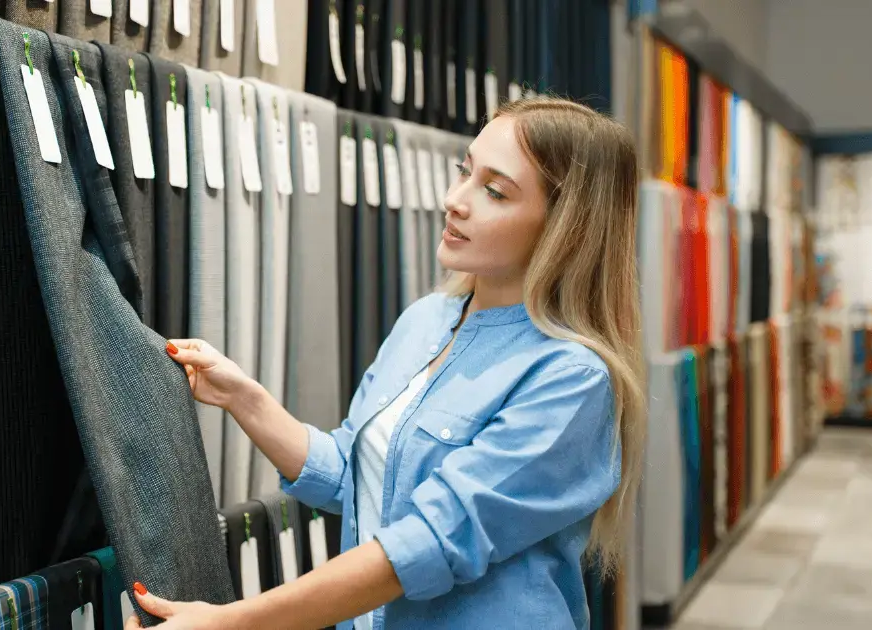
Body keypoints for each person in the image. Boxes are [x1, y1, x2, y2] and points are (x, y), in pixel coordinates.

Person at [126, 97, 646, 630]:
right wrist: (242, 396)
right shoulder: (427, 320)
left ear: (566, 228)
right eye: (463, 173)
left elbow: (427, 543)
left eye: (494, 191)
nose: (454, 201)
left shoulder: (571, 379)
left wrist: (231, 623)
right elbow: (356, 475)